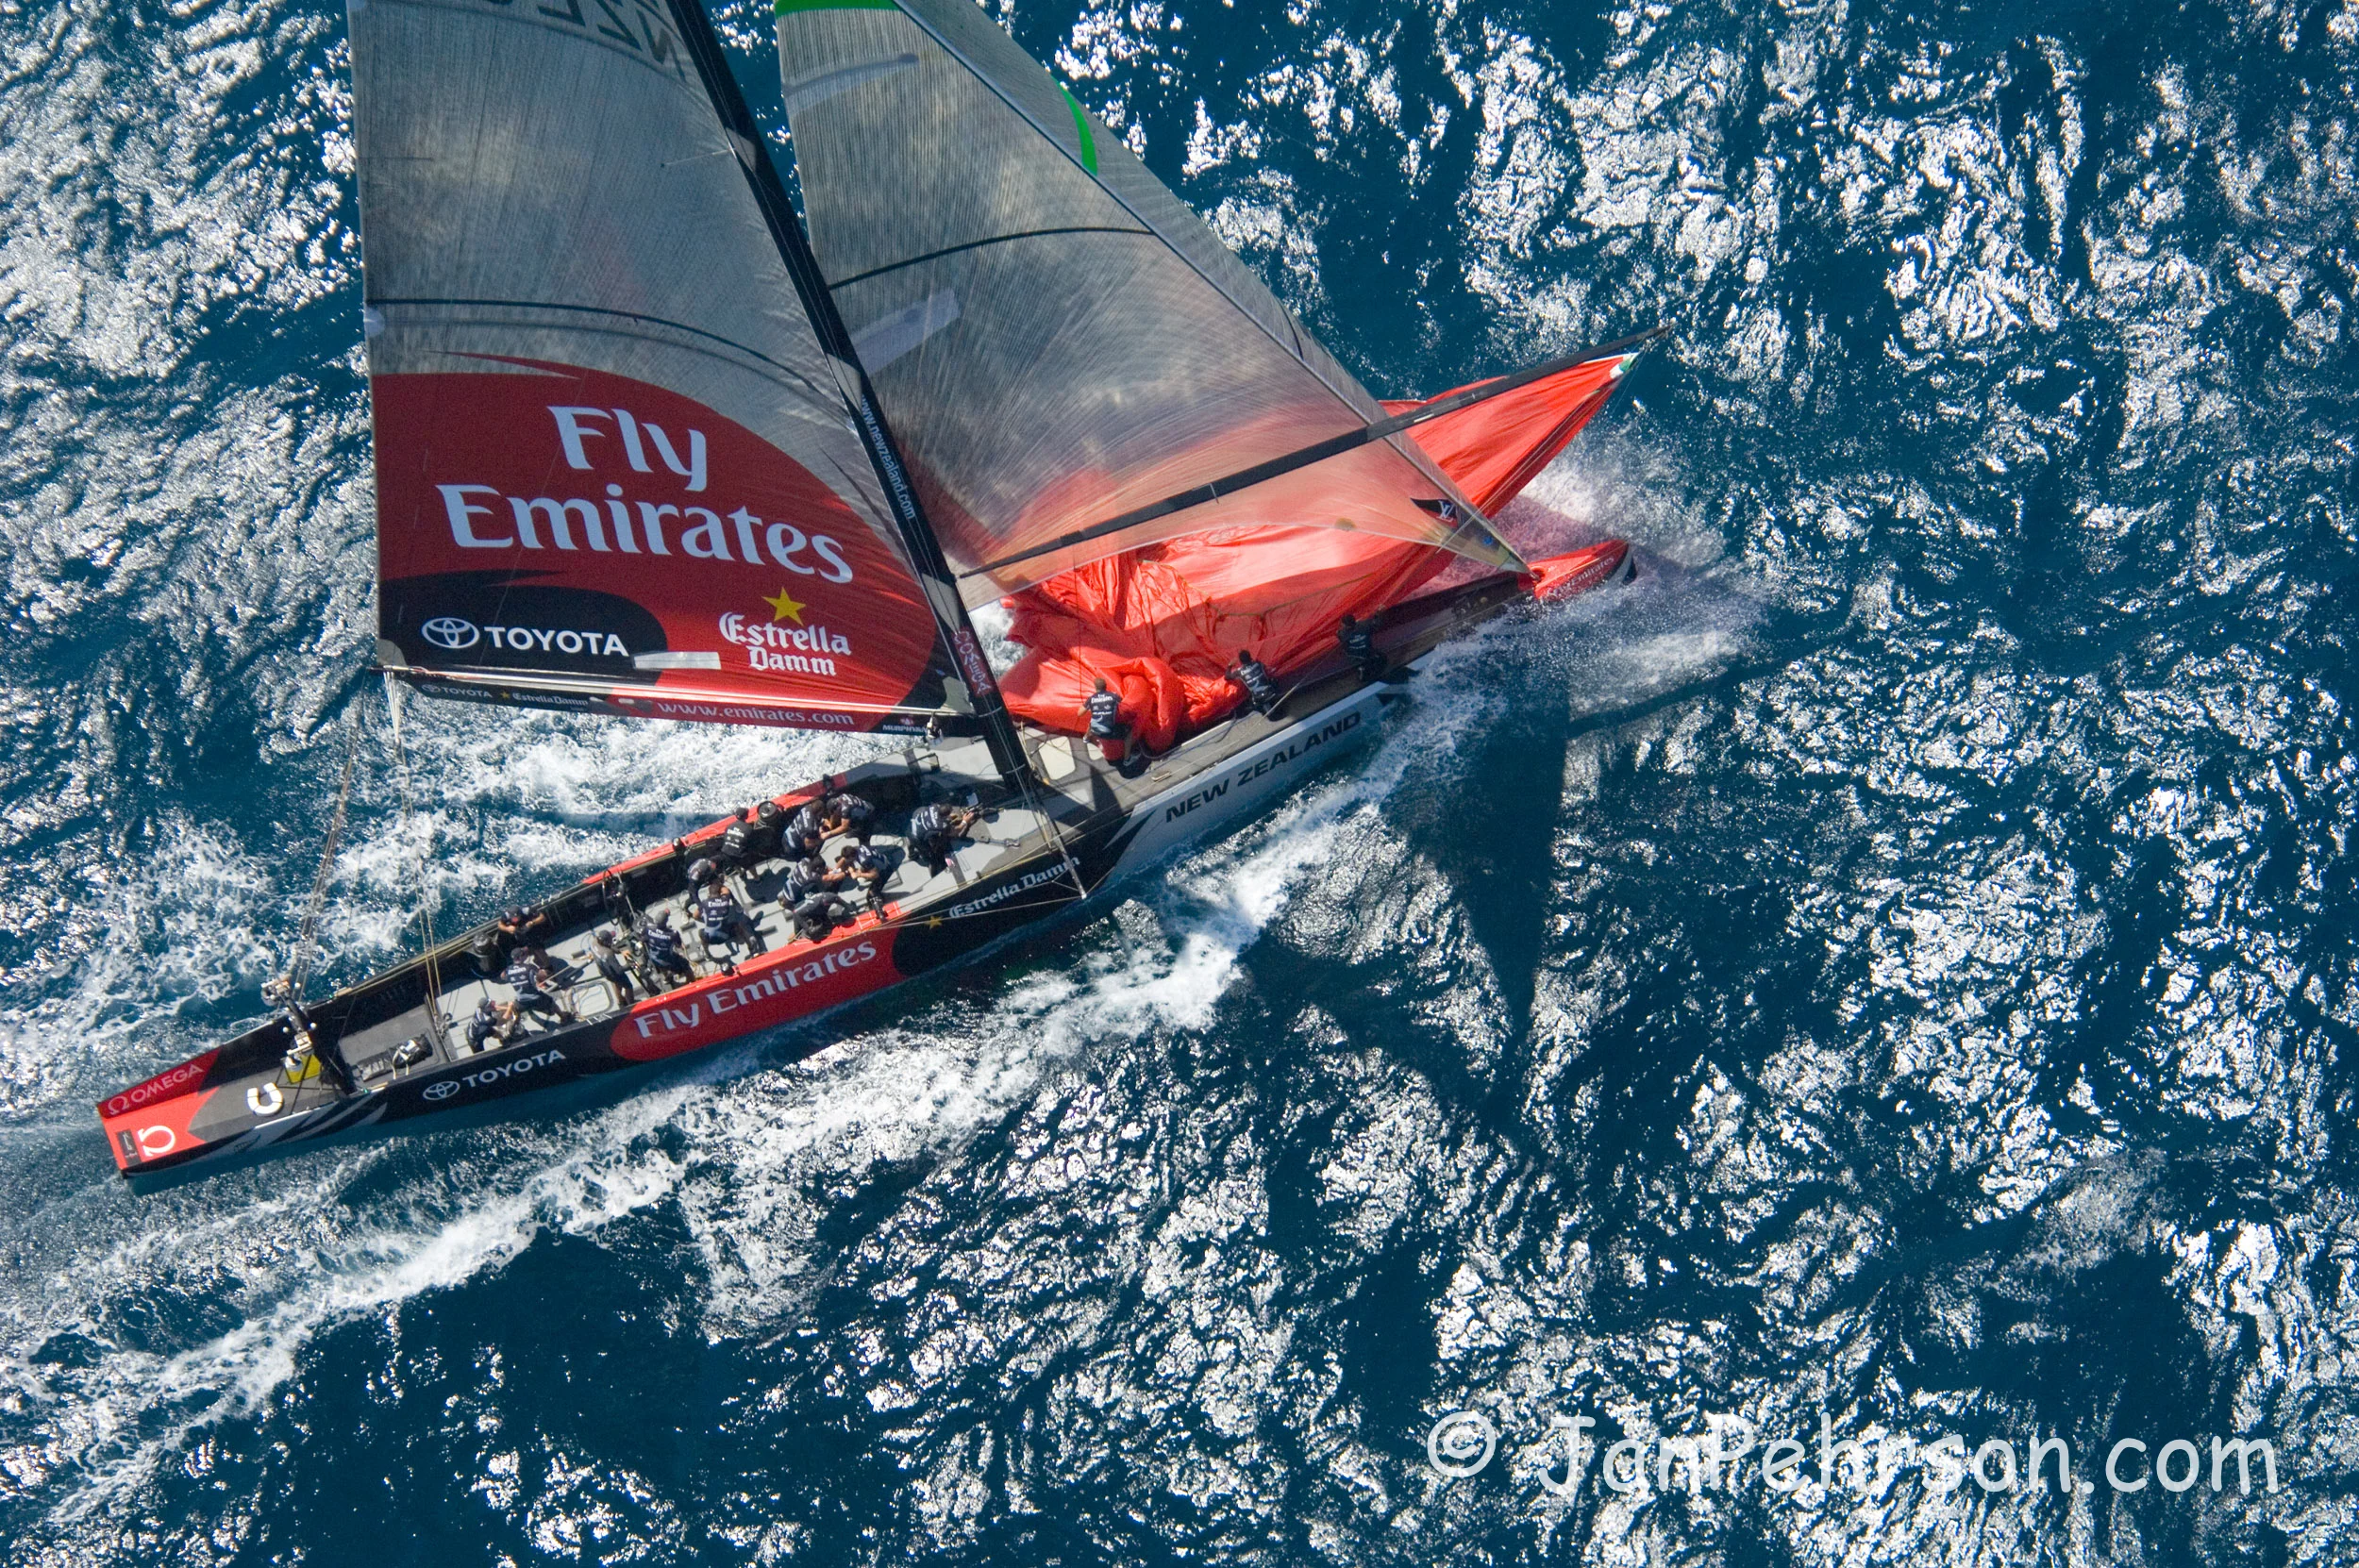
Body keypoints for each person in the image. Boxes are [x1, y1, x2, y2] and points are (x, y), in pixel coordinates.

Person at [909, 801, 981, 874]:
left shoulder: (935, 806)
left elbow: (942, 816)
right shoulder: (940, 825)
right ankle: (931, 863)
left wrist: (956, 817)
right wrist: (965, 821)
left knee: (914, 840)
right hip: (916, 838)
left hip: (912, 826)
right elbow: (956, 831)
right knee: (931, 855)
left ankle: (911, 852)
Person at [698, 879, 764, 958]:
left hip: (710, 939)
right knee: (738, 925)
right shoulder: (725, 900)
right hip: (725, 936)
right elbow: (726, 891)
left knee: (700, 932)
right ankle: (752, 949)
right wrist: (719, 883)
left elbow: (695, 916)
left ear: (709, 894)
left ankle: (707, 953)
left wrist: (707, 920)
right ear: (720, 893)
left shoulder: (704, 903)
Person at [502, 951, 569, 1026]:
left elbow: (503, 976)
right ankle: (563, 1017)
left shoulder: (508, 970)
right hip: (535, 998)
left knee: (516, 1011)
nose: (526, 956)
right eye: (524, 955)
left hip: (521, 1001)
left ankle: (514, 1027)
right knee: (552, 1003)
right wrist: (543, 972)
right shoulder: (529, 967)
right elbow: (543, 976)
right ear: (520, 956)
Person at [1085, 676, 1136, 772]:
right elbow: (1122, 702)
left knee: (1092, 724)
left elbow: (1081, 712)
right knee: (1128, 733)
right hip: (1110, 730)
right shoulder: (1113, 696)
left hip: (1098, 730)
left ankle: (1087, 738)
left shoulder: (1092, 699)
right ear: (1106, 686)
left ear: (1095, 688)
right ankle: (1127, 759)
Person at [639, 910, 694, 986]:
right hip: (668, 960)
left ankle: (667, 977)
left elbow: (642, 939)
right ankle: (691, 983)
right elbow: (678, 945)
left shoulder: (648, 929)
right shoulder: (673, 934)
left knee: (661, 959)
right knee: (685, 964)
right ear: (666, 921)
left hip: (654, 958)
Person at [589, 926, 637, 1005]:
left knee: (616, 983)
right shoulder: (608, 954)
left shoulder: (594, 942)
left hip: (604, 971)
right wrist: (628, 965)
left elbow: (608, 946)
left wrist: (620, 951)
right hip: (612, 972)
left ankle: (620, 1001)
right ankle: (631, 1004)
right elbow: (619, 970)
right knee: (628, 986)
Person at [1230, 648, 1282, 717]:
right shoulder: (1258, 663)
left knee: (1250, 699)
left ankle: (1266, 710)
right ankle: (1276, 700)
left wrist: (1230, 665)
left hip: (1258, 698)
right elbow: (1269, 669)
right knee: (1273, 681)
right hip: (1270, 691)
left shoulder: (1239, 672)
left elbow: (1227, 677)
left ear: (1241, 661)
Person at [787, 891, 853, 944]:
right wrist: (808, 929)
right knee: (803, 931)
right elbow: (799, 915)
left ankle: (828, 926)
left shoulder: (832, 896)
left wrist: (848, 906)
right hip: (799, 913)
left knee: (827, 922)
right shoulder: (815, 906)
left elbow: (840, 900)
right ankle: (792, 941)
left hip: (814, 909)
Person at [839, 842, 889, 907]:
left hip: (883, 868)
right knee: (861, 872)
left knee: (870, 894)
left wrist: (858, 875)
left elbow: (875, 875)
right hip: (877, 859)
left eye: (847, 859)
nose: (846, 860)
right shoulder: (856, 848)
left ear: (851, 856)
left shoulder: (864, 860)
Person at [1338, 612, 1385, 680]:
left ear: (1345, 625)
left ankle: (1362, 668)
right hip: (1368, 651)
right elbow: (1376, 624)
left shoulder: (1341, 633)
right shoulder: (1365, 625)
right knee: (1379, 656)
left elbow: (1341, 637)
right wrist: (1378, 613)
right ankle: (1366, 667)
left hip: (1354, 655)